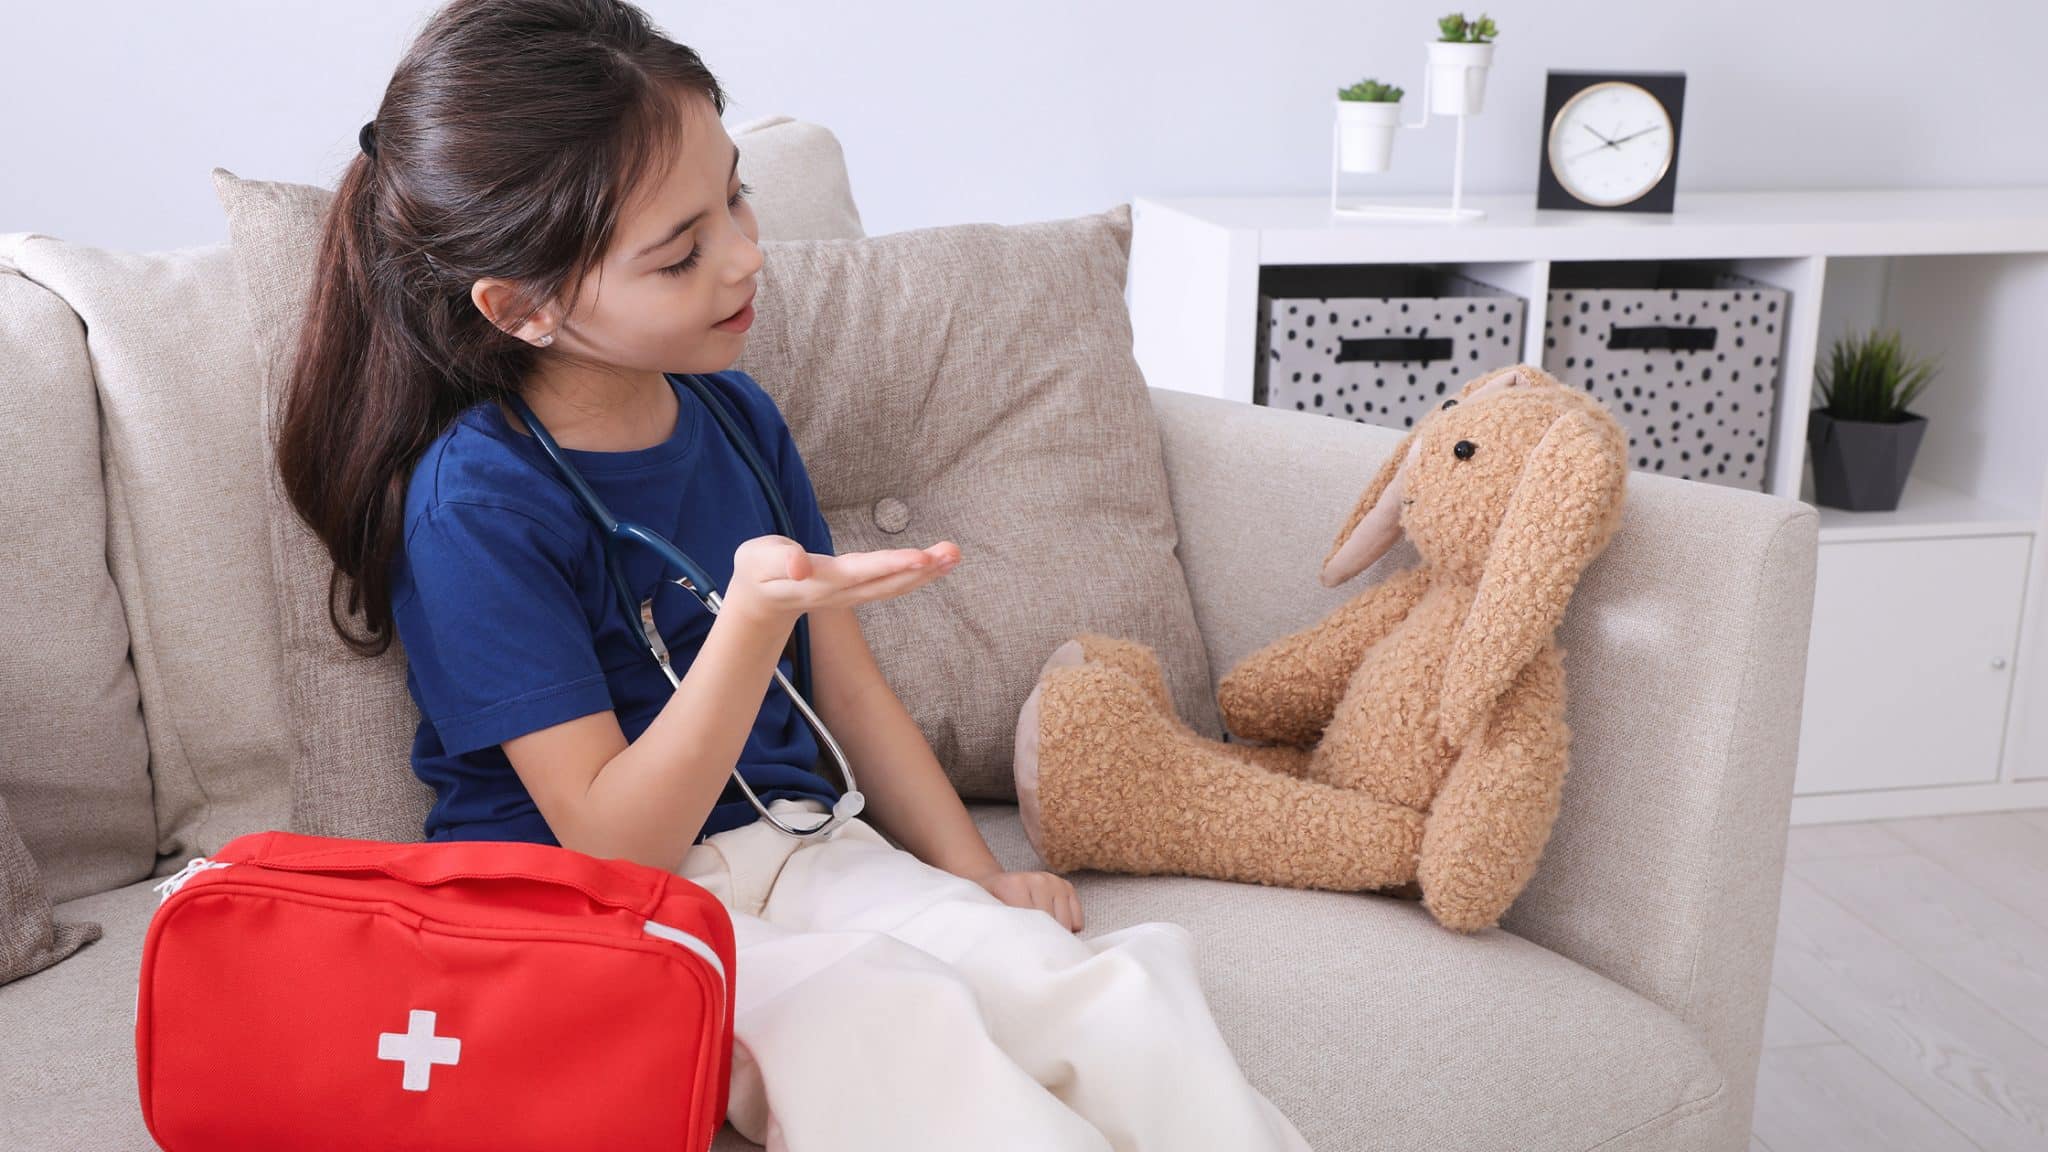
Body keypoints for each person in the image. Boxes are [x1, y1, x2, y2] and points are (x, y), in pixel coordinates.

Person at [273, 1, 1314, 1149]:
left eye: (736, 197)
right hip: (601, 912)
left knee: (1090, 988)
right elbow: (615, 845)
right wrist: (749, 624)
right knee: (877, 1019)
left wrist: (974, 877)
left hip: (799, 842)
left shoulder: (734, 417)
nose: (744, 254)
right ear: (522, 307)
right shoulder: (475, 504)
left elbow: (849, 690)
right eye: (681, 252)